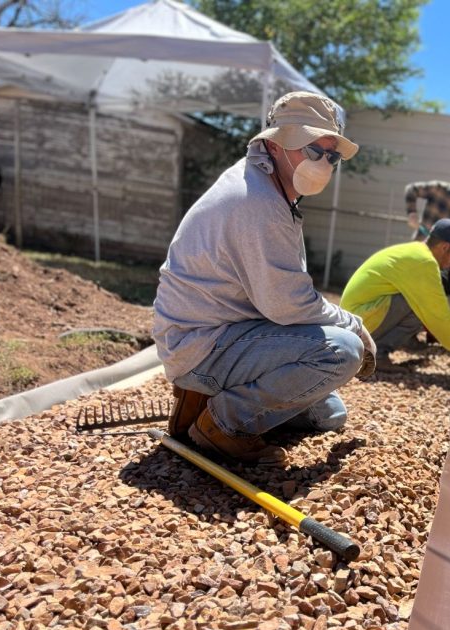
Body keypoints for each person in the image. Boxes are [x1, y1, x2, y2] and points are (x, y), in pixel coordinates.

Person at [153, 91, 376, 465]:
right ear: (277, 144)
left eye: (331, 155)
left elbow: (281, 298)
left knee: (330, 415)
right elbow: (288, 305)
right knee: (343, 352)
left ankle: (205, 400)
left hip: (219, 334)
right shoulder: (258, 202)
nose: (322, 162)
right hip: (204, 345)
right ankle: (222, 424)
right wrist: (354, 326)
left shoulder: (267, 188)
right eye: (312, 149)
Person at [340, 219, 450, 375]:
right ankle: (378, 354)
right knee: (418, 307)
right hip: (356, 326)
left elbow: (439, 311)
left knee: (424, 305)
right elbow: (439, 316)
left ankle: (382, 348)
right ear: (445, 247)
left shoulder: (418, 253)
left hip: (355, 320)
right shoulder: (424, 262)